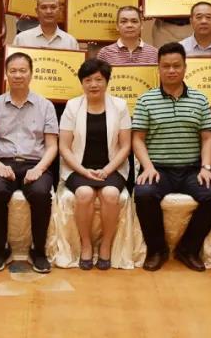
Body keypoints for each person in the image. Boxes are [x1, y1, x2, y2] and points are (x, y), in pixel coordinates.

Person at [132, 42, 211, 272]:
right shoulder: (146, 100)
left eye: (176, 65)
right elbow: (138, 139)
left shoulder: (200, 99)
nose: (171, 70)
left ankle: (188, 249)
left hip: (191, 169)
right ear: (158, 68)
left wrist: (206, 168)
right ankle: (157, 250)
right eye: (166, 66)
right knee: (144, 193)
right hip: (158, 169)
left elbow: (207, 138)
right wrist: (147, 167)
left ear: (185, 67)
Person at [0, 52, 59, 273]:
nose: (18, 75)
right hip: (3, 162)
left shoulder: (45, 106)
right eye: (13, 71)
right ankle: (0, 250)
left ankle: (38, 251)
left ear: (31, 74)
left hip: (35, 163)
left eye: (22, 70)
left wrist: (39, 169)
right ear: (6, 74)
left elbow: (52, 146)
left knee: (41, 193)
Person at [58, 59, 131, 270]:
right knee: (84, 194)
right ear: (82, 83)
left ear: (107, 81)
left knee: (110, 194)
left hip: (112, 166)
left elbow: (125, 146)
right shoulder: (72, 106)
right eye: (88, 80)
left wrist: (107, 170)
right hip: (78, 167)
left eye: (99, 79)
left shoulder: (120, 106)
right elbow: (64, 147)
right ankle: (86, 245)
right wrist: (83, 171)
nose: (93, 85)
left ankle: (106, 245)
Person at [12, 0, 80, 50]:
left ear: (59, 10)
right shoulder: (21, 39)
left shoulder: (71, 42)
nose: (48, 11)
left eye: (53, 7)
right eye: (44, 7)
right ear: (37, 11)